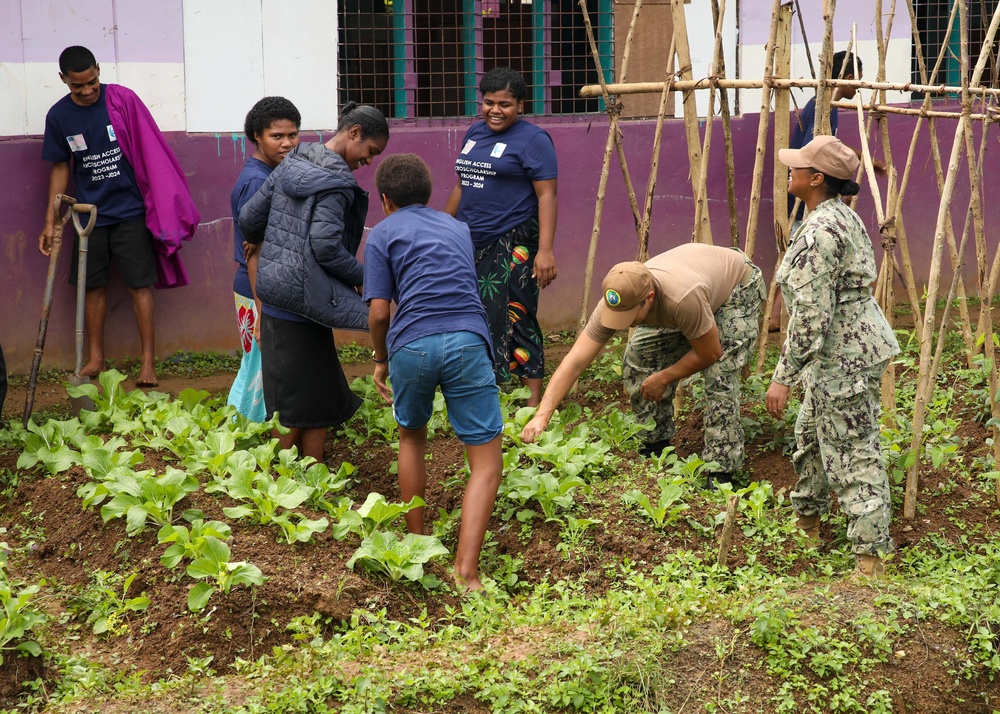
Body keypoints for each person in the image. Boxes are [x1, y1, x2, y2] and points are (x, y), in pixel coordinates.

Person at [364, 154, 503, 592]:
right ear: (427, 194)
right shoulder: (457, 227)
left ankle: (416, 543)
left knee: (412, 437)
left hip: (411, 348)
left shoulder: (382, 234)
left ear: (385, 200)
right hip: (467, 340)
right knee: (485, 462)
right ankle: (467, 574)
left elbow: (380, 311)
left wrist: (380, 359)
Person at [521, 243, 765, 489]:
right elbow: (575, 360)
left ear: (648, 300)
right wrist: (542, 415)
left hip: (735, 287)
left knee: (719, 375)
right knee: (639, 353)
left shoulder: (681, 298)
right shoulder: (619, 296)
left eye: (629, 316)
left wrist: (664, 377)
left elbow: (711, 352)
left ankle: (721, 472)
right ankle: (654, 444)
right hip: (695, 290)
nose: (622, 323)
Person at [766, 135, 899, 578]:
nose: (790, 171)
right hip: (846, 350)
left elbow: (811, 318)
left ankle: (870, 561)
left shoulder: (820, 232)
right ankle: (807, 521)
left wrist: (782, 376)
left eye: (797, 167)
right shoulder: (838, 216)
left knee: (853, 451)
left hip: (843, 355)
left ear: (816, 178)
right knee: (810, 434)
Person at [37, 46, 198, 387]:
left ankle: (148, 362)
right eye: (77, 85)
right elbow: (61, 165)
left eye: (92, 82)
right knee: (92, 285)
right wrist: (50, 220)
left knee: (140, 285)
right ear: (63, 79)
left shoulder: (122, 100)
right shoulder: (58, 116)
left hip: (130, 212)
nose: (86, 90)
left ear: (98, 70)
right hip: (88, 215)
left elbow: (150, 151)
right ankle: (96, 357)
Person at [239, 103, 389, 462]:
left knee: (307, 397)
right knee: (302, 403)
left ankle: (306, 479)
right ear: (354, 133)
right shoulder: (337, 184)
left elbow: (248, 218)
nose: (369, 161)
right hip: (307, 300)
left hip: (278, 295)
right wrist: (370, 282)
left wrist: (268, 243)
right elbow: (326, 249)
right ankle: (290, 482)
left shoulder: (295, 158)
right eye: (371, 151)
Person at [444, 66, 558, 407]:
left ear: (520, 105)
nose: (495, 110)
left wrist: (546, 251)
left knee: (517, 314)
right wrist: (441, 229)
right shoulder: (474, 134)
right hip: (470, 240)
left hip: (514, 241)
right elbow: (461, 185)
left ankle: (532, 404)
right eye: (489, 102)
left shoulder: (534, 140)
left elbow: (547, 196)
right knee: (476, 314)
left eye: (505, 104)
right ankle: (488, 388)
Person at [227, 97, 301, 422]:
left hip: (264, 291)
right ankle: (242, 431)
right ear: (257, 135)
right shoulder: (258, 181)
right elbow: (255, 253)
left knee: (257, 364)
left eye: (293, 135)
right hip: (258, 291)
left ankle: (243, 429)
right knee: (259, 367)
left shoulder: (272, 172)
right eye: (277, 136)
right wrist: (261, 311)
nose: (287, 143)